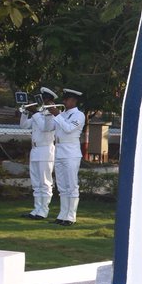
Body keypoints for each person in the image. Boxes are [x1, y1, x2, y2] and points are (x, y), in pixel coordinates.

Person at [20, 86, 58, 220]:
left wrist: (34, 113)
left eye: (45, 99)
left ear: (50, 101)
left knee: (45, 182)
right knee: (36, 183)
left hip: (46, 150)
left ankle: (44, 210)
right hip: (35, 150)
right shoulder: (40, 114)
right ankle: (36, 209)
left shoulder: (51, 115)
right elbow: (23, 125)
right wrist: (25, 112)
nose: (42, 101)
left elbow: (45, 127)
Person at [50, 88, 86, 226]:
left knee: (71, 185)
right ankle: (62, 214)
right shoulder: (62, 114)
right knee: (62, 186)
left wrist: (57, 115)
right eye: (64, 99)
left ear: (73, 101)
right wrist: (47, 115)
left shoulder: (79, 115)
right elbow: (48, 128)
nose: (64, 102)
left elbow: (69, 129)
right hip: (59, 151)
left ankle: (71, 216)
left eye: (67, 99)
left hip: (71, 153)